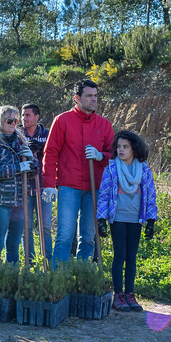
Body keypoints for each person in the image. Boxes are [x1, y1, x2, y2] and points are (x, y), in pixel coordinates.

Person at [41, 79, 114, 265]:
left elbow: (113, 155)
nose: (94, 99)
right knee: (65, 234)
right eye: (89, 96)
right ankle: (58, 277)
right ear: (77, 98)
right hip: (69, 186)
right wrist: (48, 185)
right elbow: (51, 153)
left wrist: (100, 155)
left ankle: (83, 275)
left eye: (95, 96)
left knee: (88, 236)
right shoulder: (62, 120)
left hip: (94, 187)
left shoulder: (104, 125)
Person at [95, 130, 158, 312]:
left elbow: (151, 196)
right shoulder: (111, 169)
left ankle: (130, 294)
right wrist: (101, 218)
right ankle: (118, 294)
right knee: (120, 255)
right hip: (118, 218)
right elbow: (104, 195)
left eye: (125, 147)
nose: (121, 150)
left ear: (134, 149)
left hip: (135, 219)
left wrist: (151, 220)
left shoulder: (144, 170)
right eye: (119, 147)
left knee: (132, 257)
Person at [0, 106, 36, 263]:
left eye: (16, 121)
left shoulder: (21, 141)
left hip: (19, 200)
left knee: (13, 245)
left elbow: (33, 172)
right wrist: (19, 167)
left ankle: (12, 276)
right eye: (10, 120)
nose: (13, 123)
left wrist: (32, 160)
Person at [21, 103, 53, 261]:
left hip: (43, 186)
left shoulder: (47, 134)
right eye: (23, 115)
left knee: (45, 226)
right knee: (25, 227)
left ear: (37, 117)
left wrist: (43, 147)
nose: (24, 118)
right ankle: (29, 262)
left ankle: (47, 261)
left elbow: (55, 152)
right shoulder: (18, 134)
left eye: (28, 115)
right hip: (24, 187)